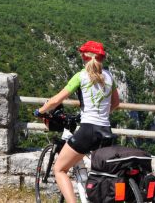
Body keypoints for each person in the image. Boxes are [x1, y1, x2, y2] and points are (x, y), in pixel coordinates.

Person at [34, 40, 120, 203]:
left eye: (82, 54)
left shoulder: (81, 76)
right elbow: (116, 102)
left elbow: (55, 100)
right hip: (106, 131)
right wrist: (102, 113)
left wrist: (40, 111)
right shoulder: (109, 76)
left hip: (88, 131)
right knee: (101, 175)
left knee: (59, 169)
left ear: (85, 57)